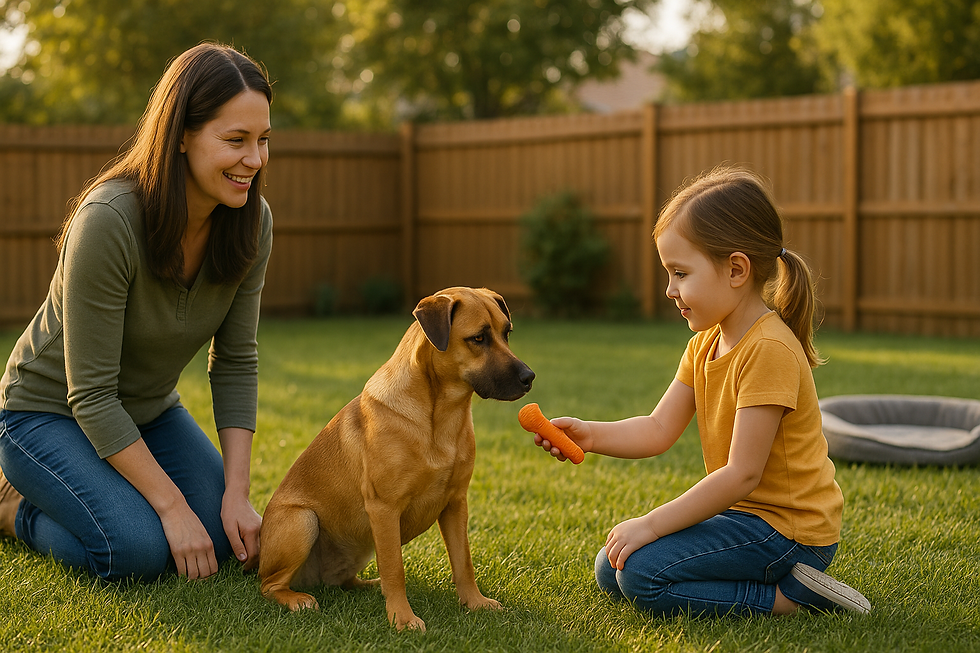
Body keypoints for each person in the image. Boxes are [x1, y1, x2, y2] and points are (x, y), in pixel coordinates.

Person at [534, 166, 871, 616]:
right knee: (610, 567)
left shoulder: (768, 350)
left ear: (736, 269)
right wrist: (590, 436)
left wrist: (651, 525)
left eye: (680, 273)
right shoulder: (704, 344)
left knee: (640, 574)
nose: (671, 290)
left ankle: (791, 599)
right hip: (745, 517)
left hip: (790, 531)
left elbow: (741, 475)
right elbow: (657, 428)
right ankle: (770, 585)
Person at [0, 42, 274, 581]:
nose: (255, 159)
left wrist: (238, 495)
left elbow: (237, 360)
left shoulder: (251, 222)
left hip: (148, 413)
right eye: (235, 140)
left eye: (264, 140)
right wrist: (171, 508)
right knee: (139, 551)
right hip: (45, 416)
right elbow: (92, 395)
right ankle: (14, 509)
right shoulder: (109, 220)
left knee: (221, 538)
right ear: (181, 137)